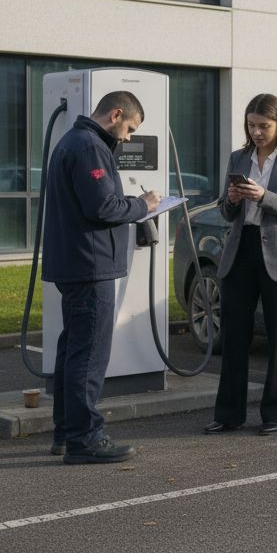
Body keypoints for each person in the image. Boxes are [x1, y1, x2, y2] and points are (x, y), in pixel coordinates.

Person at [43, 91, 161, 464]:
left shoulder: (72, 141)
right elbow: (102, 206)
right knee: (89, 356)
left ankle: (66, 432)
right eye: (129, 128)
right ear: (115, 114)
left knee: (73, 351)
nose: (128, 138)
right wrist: (145, 205)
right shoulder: (90, 146)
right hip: (90, 265)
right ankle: (85, 439)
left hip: (74, 263)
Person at [205, 94, 277, 436]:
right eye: (251, 125)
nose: (256, 132)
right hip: (241, 250)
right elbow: (225, 211)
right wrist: (233, 200)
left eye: (263, 126)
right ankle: (229, 414)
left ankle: (276, 414)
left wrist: (264, 196)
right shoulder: (238, 157)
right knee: (234, 334)